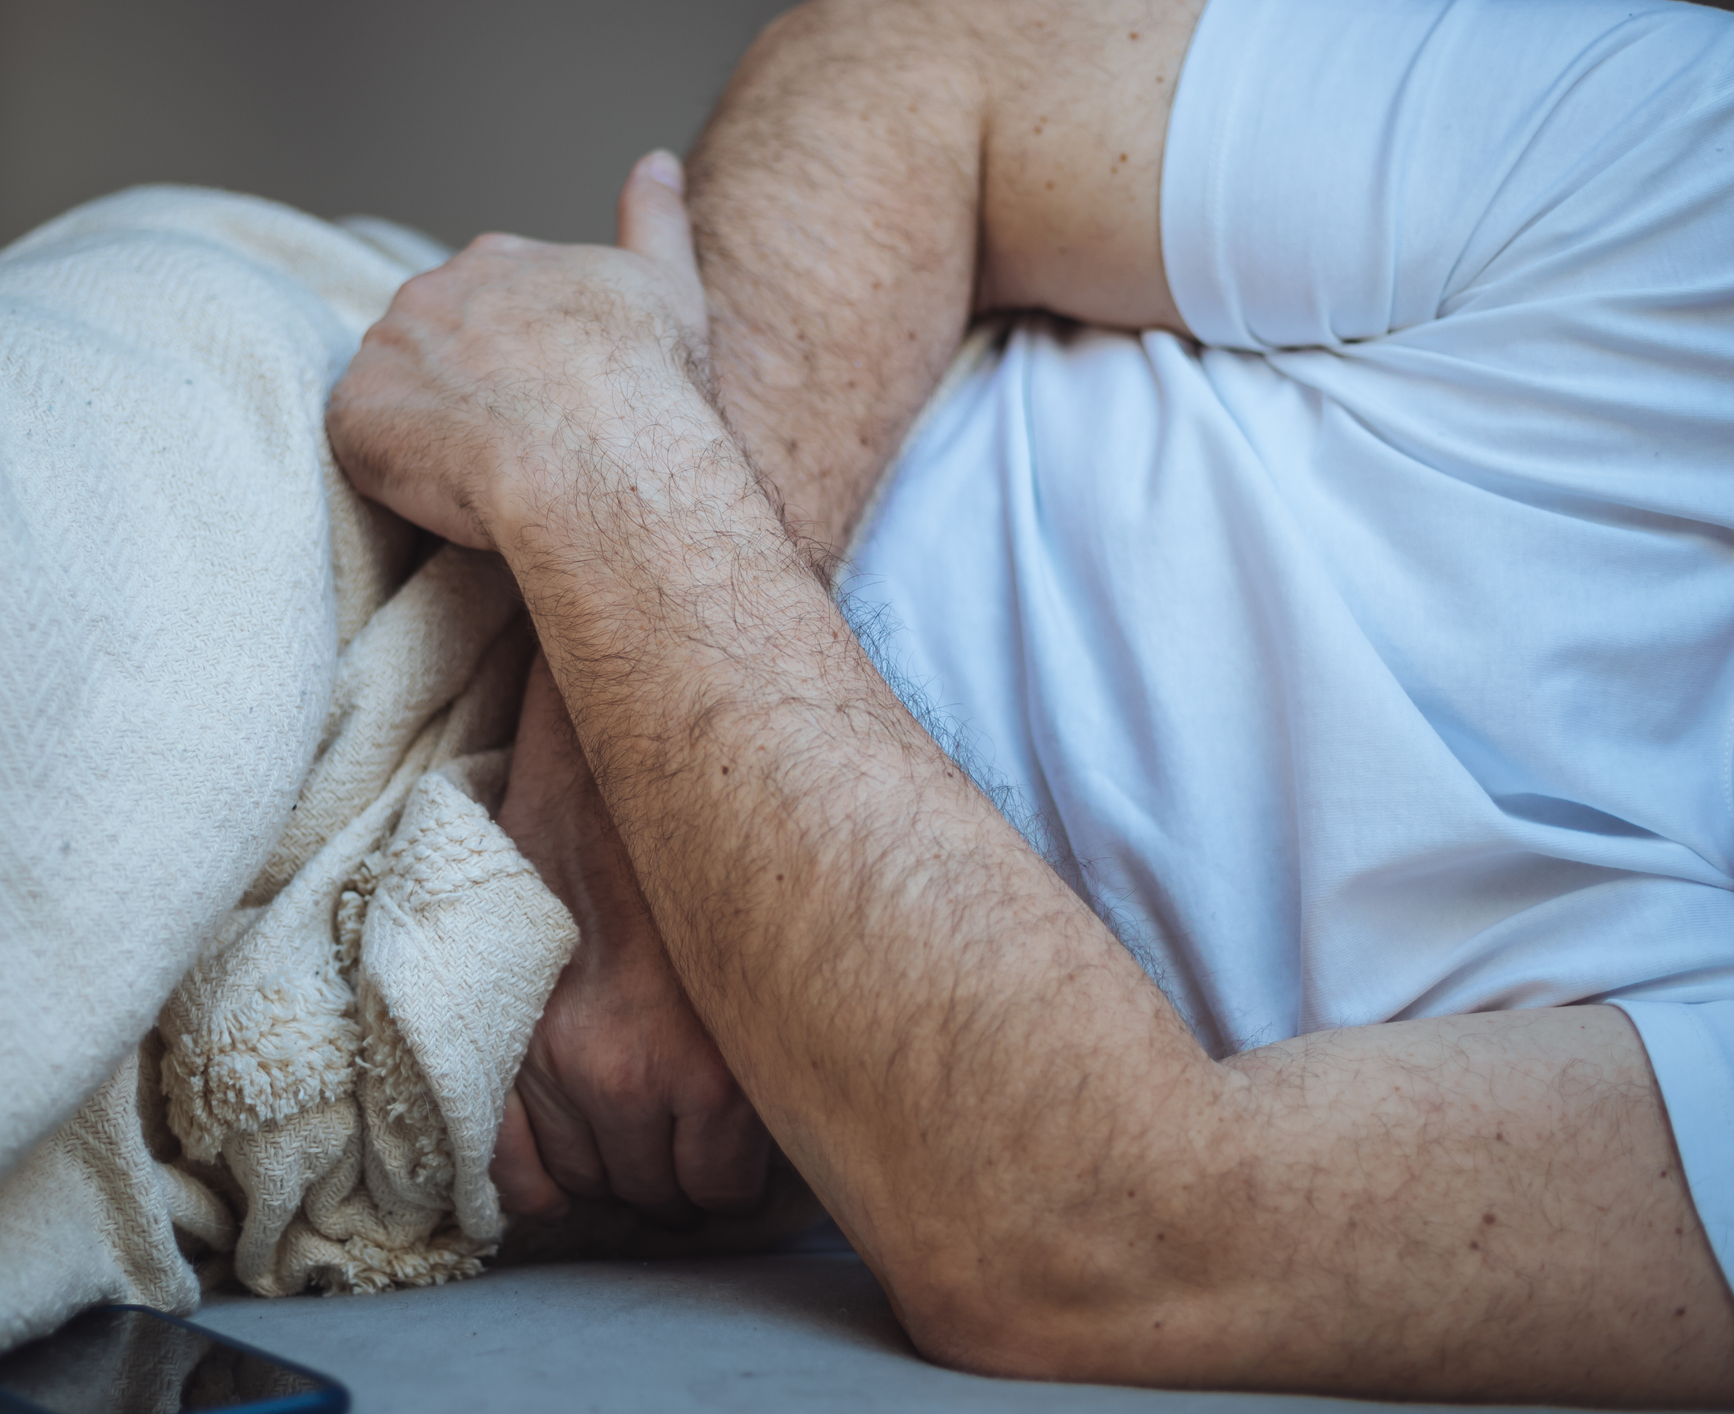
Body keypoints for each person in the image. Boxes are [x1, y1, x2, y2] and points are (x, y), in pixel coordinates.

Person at [324, 0, 1734, 1403]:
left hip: (578, 514)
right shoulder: (1692, 159)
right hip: (500, 472)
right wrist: (626, 890)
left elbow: (1119, 1240)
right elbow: (914, 60)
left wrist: (610, 475)